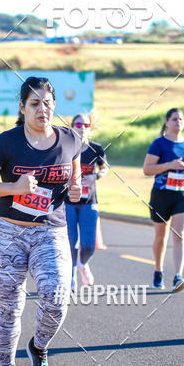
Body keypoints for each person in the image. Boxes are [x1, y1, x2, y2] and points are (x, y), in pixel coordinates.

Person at [0, 76, 82, 366]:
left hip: (50, 232)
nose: (42, 109)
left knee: (57, 297)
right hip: (8, 232)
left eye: (47, 103)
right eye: (35, 104)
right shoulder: (7, 142)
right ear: (22, 107)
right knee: (10, 306)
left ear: (54, 105)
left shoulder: (71, 140)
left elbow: (75, 177)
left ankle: (40, 346)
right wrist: (13, 188)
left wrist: (75, 189)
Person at [143, 107, 184, 293]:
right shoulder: (159, 144)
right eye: (174, 119)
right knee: (161, 237)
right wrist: (169, 165)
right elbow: (147, 169)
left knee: (180, 234)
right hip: (161, 195)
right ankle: (158, 271)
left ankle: (178, 276)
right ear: (167, 122)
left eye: (181, 119)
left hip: (182, 195)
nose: (178, 122)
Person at [65, 113, 109, 289]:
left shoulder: (96, 149)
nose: (82, 127)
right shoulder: (66, 148)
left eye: (85, 124)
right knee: (70, 241)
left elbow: (105, 168)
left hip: (89, 201)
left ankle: (83, 264)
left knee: (88, 244)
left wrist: (96, 176)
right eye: (78, 124)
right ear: (72, 127)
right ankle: (72, 275)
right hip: (67, 202)